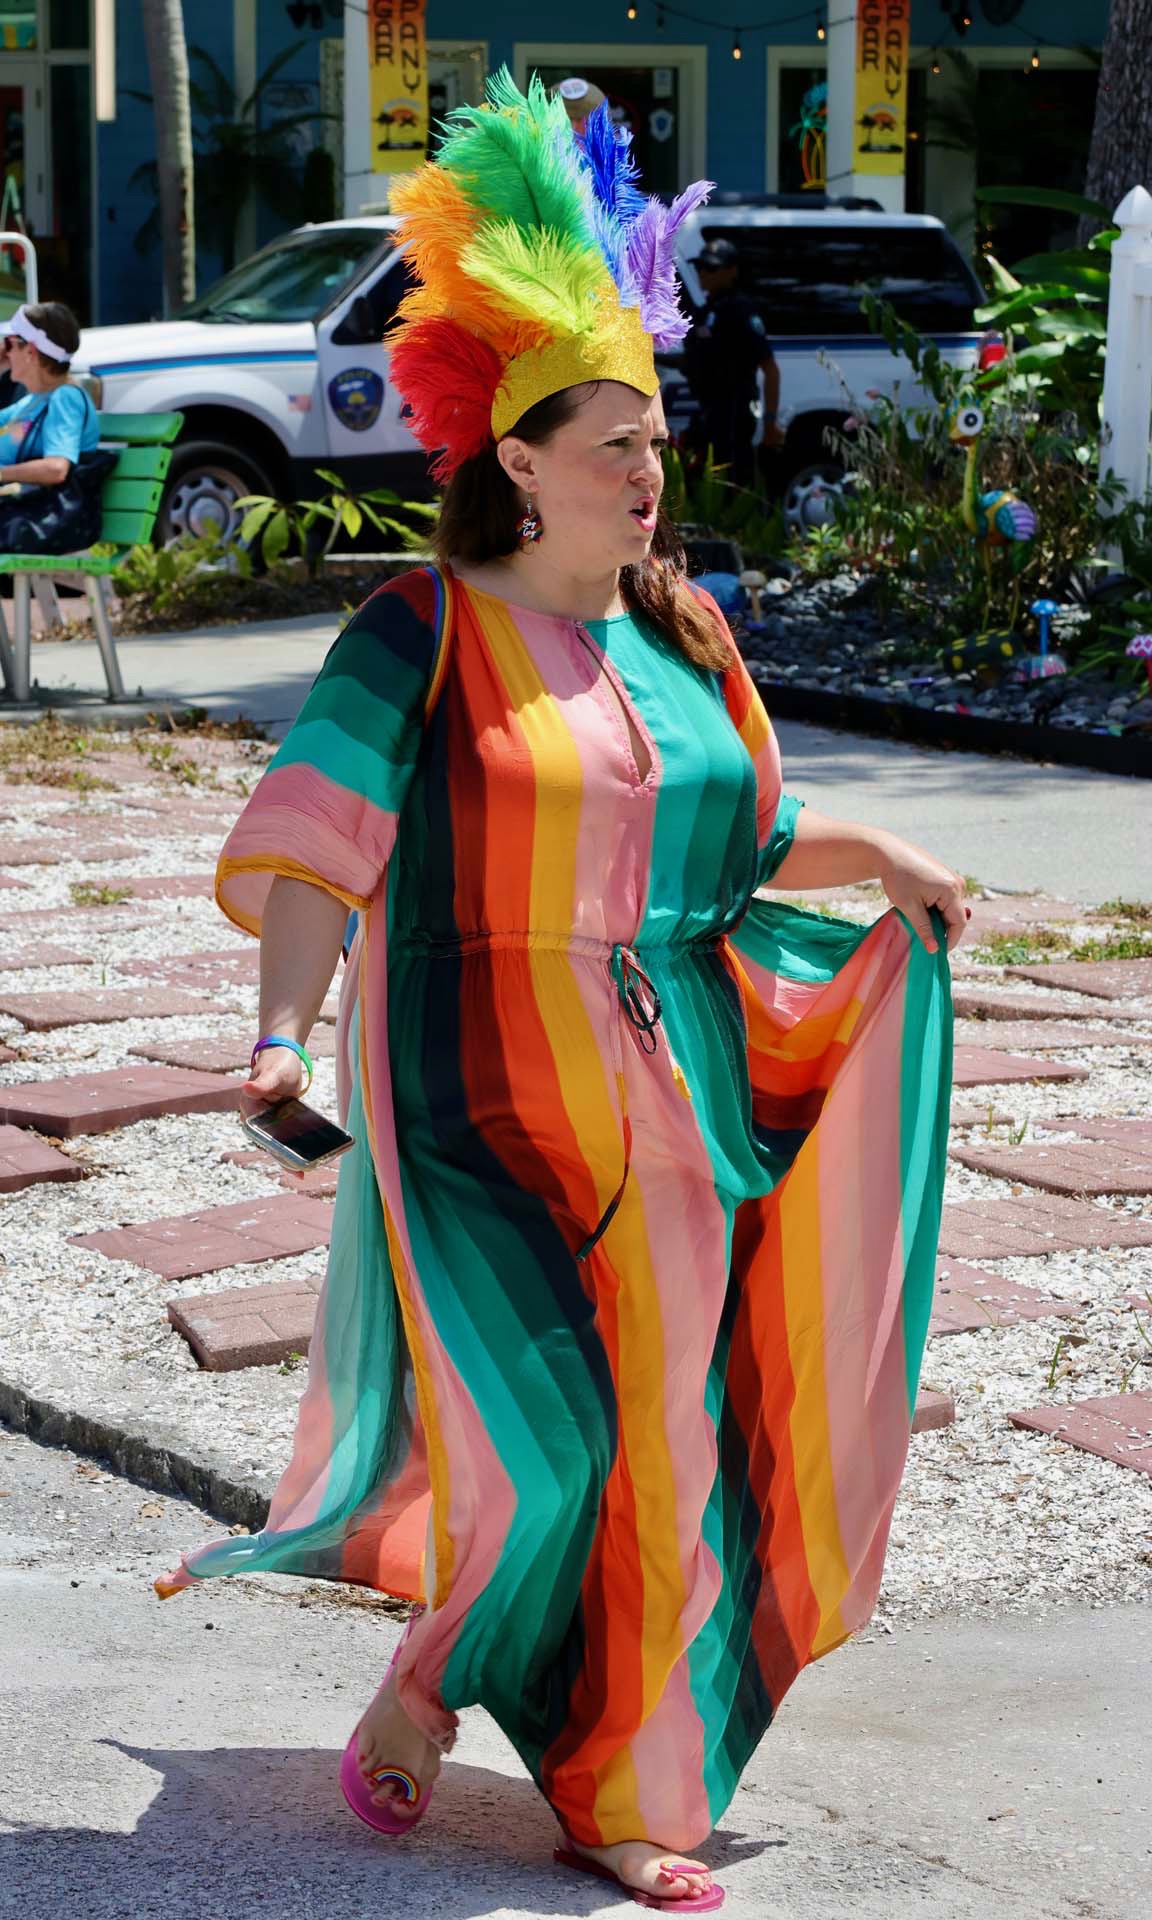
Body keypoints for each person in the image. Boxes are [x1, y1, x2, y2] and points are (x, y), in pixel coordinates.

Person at [157, 73, 963, 1912]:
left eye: (656, 434)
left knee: (669, 1438)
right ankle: (438, 1670)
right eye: (613, 437)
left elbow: (743, 843)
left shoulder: (684, 638)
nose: (647, 466)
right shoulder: (420, 631)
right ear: (515, 457)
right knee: (547, 1440)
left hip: (682, 1104)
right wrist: (278, 1035)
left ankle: (624, 1791)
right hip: (473, 1100)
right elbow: (313, 848)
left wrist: (896, 865)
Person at [682, 238, 783, 488]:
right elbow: (694, 359)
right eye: (701, 267)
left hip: (734, 412)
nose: (703, 273)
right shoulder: (706, 311)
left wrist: (770, 422)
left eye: (711, 268)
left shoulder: (741, 311)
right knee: (702, 479)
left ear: (731, 271)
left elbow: (770, 368)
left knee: (733, 480)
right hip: (708, 410)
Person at [0, 302, 98, 490]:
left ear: (30, 351)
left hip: (32, 512)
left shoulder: (66, 398)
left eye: (8, 344)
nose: (5, 353)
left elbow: (56, 468)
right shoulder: (34, 401)